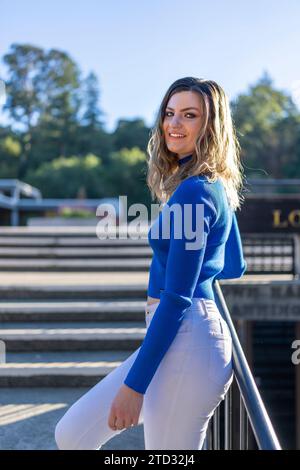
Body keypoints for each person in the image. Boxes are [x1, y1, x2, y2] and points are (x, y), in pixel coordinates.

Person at [54, 76, 247, 450]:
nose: (173, 124)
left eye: (189, 115)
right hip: (186, 337)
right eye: (169, 113)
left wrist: (135, 387)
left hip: (188, 338)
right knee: (72, 434)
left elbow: (176, 298)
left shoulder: (194, 192)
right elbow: (233, 265)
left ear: (211, 125)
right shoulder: (212, 185)